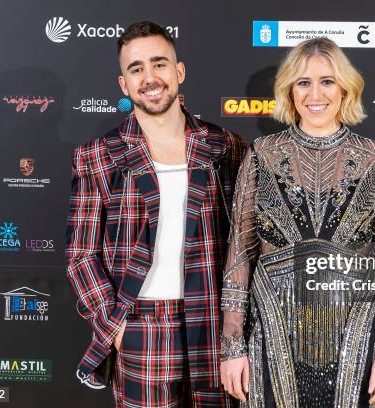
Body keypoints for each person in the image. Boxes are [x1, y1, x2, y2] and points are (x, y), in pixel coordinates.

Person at [65, 21, 245, 407]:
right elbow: (81, 255)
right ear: (124, 85)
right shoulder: (97, 155)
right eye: (136, 69)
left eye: (159, 64)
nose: (150, 77)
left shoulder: (226, 146)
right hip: (140, 327)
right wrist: (114, 324)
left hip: (214, 322)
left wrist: (240, 324)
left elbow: (246, 244)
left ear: (178, 72)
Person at [219, 37, 375, 408]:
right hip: (272, 330)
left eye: (327, 81)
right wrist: (232, 345)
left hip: (354, 330)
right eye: (303, 82)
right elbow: (240, 254)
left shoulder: (373, 157)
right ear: (289, 90)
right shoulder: (262, 155)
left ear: (345, 88)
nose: (314, 93)